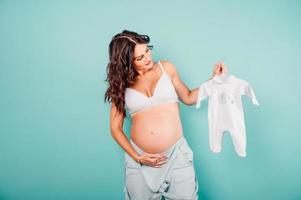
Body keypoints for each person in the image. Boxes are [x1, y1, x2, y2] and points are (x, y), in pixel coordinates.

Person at [104, 30, 226, 200]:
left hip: (176, 156)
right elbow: (115, 128)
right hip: (140, 162)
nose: (148, 58)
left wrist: (214, 81)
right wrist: (137, 156)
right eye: (140, 57)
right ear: (125, 62)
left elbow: (189, 97)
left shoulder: (166, 68)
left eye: (147, 50)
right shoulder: (120, 85)